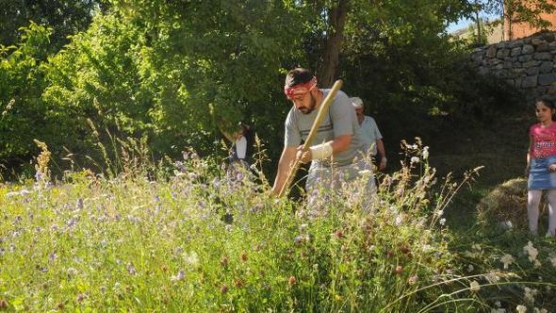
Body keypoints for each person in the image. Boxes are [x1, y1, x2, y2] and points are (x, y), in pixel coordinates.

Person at [272, 67, 376, 207]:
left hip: (355, 165)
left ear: (314, 90)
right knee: (317, 220)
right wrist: (275, 193)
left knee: (363, 222)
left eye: (300, 99)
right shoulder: (294, 116)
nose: (297, 105)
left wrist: (313, 153)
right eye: (293, 100)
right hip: (322, 167)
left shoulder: (337, 100)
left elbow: (343, 141)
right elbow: (288, 155)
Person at [526, 96, 556, 237]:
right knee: (532, 200)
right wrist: (528, 164)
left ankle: (551, 232)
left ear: (552, 111)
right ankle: (533, 233)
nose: (540, 112)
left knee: (552, 199)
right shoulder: (533, 129)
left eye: (544, 109)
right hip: (536, 165)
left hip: (552, 166)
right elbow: (530, 149)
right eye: (538, 110)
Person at [350, 97, 387, 171]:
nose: (356, 112)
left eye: (358, 109)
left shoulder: (371, 121)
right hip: (353, 159)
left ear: (362, 108)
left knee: (372, 181)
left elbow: (378, 140)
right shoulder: (346, 124)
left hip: (372, 158)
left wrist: (383, 157)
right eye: (353, 110)